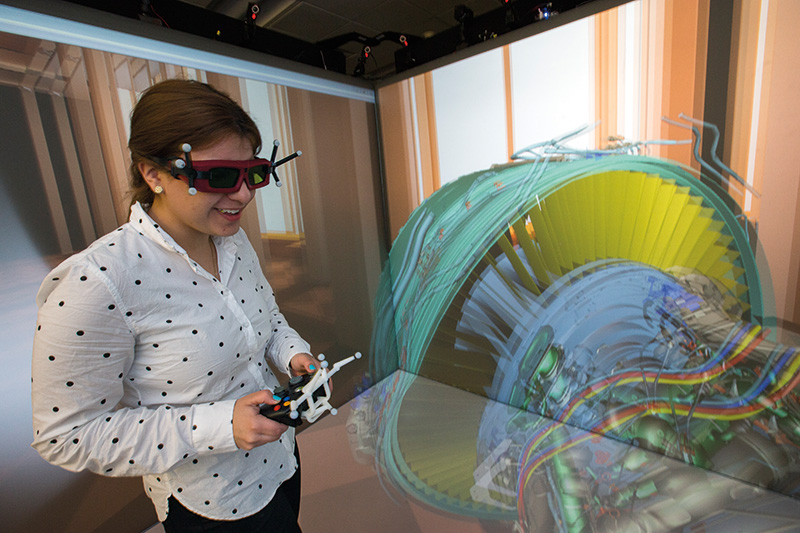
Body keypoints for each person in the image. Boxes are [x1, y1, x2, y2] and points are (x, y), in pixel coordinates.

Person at [31, 78, 317, 532]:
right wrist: (221, 426)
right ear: (152, 173)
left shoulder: (233, 242)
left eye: (254, 173)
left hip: (279, 461)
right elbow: (67, 435)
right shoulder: (98, 282)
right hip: (214, 503)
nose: (244, 194)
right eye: (221, 176)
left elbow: (267, 318)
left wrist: (292, 353)